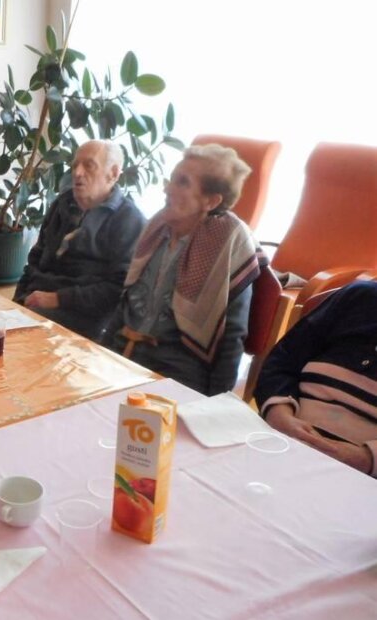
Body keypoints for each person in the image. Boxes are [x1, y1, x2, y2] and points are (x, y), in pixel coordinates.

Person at [104, 144, 263, 395]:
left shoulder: (227, 246)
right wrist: (99, 352)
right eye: (171, 180)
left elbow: (231, 336)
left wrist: (214, 404)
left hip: (175, 376)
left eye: (182, 183)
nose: (167, 189)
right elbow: (125, 301)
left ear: (211, 201)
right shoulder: (157, 228)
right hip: (121, 359)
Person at [13, 140, 146, 339]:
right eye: (75, 166)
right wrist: (15, 301)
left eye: (89, 166)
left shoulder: (129, 220)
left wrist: (58, 299)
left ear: (113, 173)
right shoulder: (62, 203)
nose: (77, 173)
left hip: (81, 316)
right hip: (35, 301)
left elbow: (117, 289)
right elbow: (35, 260)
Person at [255, 280, 377, 477]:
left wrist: (367, 459)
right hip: (279, 439)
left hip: (360, 476)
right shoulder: (360, 297)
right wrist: (279, 414)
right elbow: (282, 361)